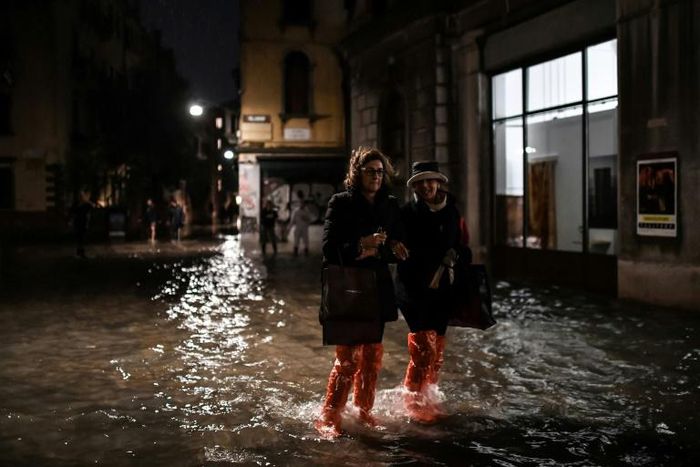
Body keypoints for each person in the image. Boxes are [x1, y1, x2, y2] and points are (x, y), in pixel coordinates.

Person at [315, 147, 409, 438]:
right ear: (357, 173)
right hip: (348, 287)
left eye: (380, 172)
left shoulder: (391, 205)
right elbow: (329, 248)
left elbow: (393, 245)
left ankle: (364, 412)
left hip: (377, 287)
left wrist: (395, 249)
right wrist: (360, 244)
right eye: (370, 171)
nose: (376, 176)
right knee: (347, 359)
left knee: (371, 355)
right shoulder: (340, 203)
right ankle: (330, 417)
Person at [394, 160, 472, 423]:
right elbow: (397, 246)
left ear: (439, 182)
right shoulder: (406, 213)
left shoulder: (453, 212)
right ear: (414, 186)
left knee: (437, 346)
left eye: (431, 180)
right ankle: (413, 399)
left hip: (442, 288)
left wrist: (456, 254)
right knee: (423, 347)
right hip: (413, 288)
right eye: (420, 181)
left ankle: (429, 394)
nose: (426, 185)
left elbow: (464, 246)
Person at [70, 190, 93, 258]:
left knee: (82, 238)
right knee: (78, 238)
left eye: (82, 196)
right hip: (78, 223)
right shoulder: (76, 204)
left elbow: (90, 211)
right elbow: (72, 213)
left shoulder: (86, 204)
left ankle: (81, 252)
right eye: (80, 196)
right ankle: (79, 252)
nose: (81, 197)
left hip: (83, 222)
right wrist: (71, 221)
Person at [289, 191, 312, 256]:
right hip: (298, 228)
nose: (301, 204)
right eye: (300, 203)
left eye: (302, 203)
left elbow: (310, 220)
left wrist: (306, 219)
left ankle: (306, 251)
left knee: (305, 240)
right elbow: (292, 220)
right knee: (296, 240)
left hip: (305, 228)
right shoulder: (296, 211)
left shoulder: (307, 211)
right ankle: (295, 251)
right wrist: (289, 228)